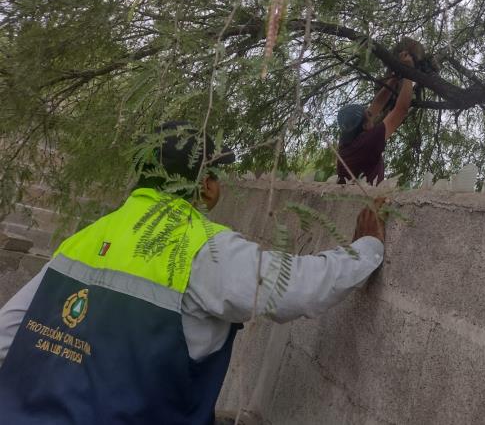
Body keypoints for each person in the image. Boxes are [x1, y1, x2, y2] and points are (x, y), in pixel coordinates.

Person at [0, 121, 385, 424]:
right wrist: (365, 249)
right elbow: (295, 289)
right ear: (203, 185)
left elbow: (8, 332)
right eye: (216, 174)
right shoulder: (200, 247)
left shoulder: (87, 236)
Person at [336, 50, 416, 184]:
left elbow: (377, 104)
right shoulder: (367, 142)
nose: (371, 112)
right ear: (365, 125)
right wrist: (409, 73)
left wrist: (393, 79)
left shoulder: (347, 139)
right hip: (364, 200)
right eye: (368, 115)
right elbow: (401, 110)